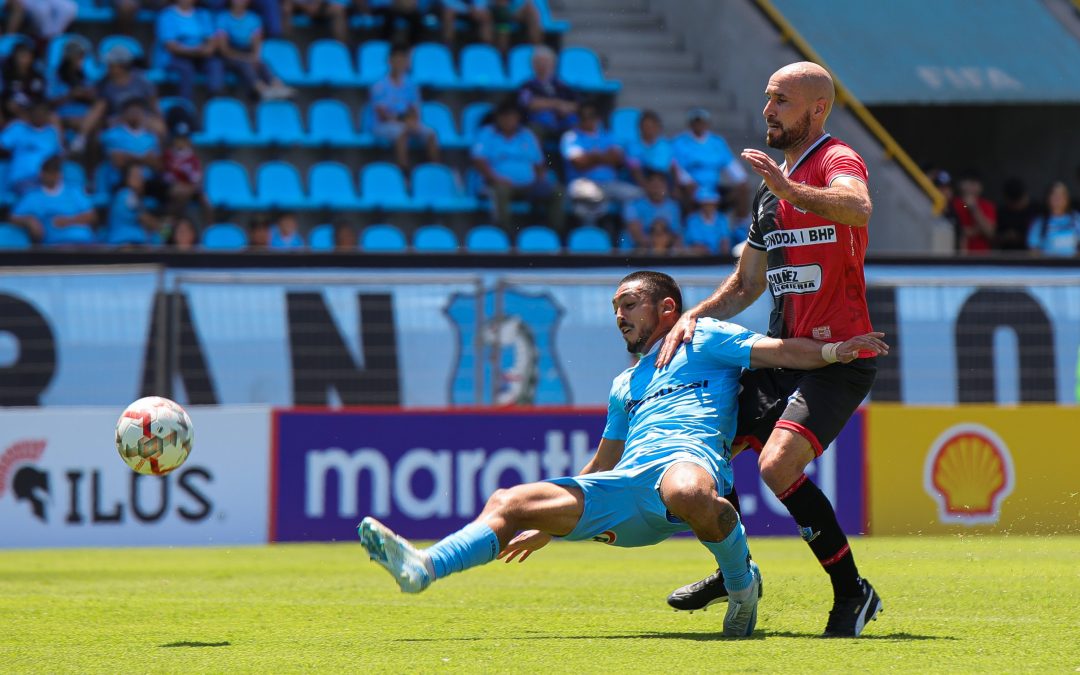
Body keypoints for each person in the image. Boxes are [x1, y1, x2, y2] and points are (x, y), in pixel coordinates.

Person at [358, 270, 887, 639]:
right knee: (508, 499)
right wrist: (551, 523)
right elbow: (603, 463)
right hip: (626, 490)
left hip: (688, 467)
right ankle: (424, 567)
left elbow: (780, 352)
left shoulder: (702, 337)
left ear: (666, 309)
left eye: (628, 303)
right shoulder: (623, 384)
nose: (619, 315)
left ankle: (741, 584)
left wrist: (835, 352)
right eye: (615, 308)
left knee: (685, 489)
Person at [657, 62, 883, 638]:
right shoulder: (768, 192)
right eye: (767, 99)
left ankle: (852, 593)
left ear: (816, 109)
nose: (767, 111)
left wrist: (790, 189)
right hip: (785, 353)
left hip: (839, 357)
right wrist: (693, 316)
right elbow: (747, 285)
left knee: (778, 466)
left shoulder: (836, 160)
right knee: (704, 451)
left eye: (780, 100)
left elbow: (858, 208)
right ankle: (738, 573)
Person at [471, 99, 564, 236]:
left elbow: (539, 163)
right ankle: (505, 235)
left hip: (528, 184)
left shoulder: (527, 135)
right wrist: (496, 178)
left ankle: (554, 235)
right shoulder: (487, 133)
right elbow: (478, 160)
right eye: (505, 116)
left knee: (557, 191)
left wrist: (538, 180)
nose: (509, 120)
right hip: (500, 183)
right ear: (498, 118)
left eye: (512, 116)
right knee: (500, 191)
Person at [561, 100, 641, 231]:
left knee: (637, 195)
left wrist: (592, 156)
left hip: (609, 184)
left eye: (591, 116)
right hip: (583, 183)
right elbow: (580, 163)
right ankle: (590, 241)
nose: (588, 120)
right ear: (579, 118)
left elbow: (618, 158)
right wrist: (604, 157)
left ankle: (627, 237)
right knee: (591, 199)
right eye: (584, 117)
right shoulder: (571, 137)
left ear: (597, 118)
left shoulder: (607, 135)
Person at [74, 44, 165, 153]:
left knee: (160, 127)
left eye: (112, 65)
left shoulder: (142, 81)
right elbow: (99, 109)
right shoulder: (105, 83)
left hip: (141, 118)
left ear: (122, 66)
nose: (108, 68)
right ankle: (81, 137)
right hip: (118, 120)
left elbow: (153, 103)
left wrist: (160, 119)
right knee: (100, 106)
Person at [671, 107, 749, 229]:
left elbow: (730, 164)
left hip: (713, 186)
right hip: (692, 186)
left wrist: (741, 179)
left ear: (707, 123)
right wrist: (688, 182)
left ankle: (742, 227)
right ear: (690, 124)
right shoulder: (680, 142)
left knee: (742, 189)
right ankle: (692, 228)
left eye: (701, 122)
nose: (699, 125)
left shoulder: (717, 142)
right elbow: (677, 167)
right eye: (696, 122)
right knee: (686, 192)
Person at [369, 43, 439, 171]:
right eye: (397, 59)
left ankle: (434, 170)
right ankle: (404, 171)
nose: (400, 63)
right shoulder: (379, 85)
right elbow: (382, 115)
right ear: (389, 60)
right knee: (402, 132)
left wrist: (411, 122)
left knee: (431, 134)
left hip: (407, 121)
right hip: (383, 125)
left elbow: (415, 110)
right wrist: (404, 121)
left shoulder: (411, 85)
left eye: (404, 59)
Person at [216, 0, 296, 100]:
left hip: (247, 53)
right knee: (245, 65)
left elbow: (256, 45)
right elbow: (224, 50)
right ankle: (263, 90)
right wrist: (245, 57)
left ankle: (279, 86)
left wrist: (254, 57)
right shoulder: (222, 18)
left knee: (262, 64)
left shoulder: (254, 19)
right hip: (230, 55)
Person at [10, 156, 97, 245]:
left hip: (85, 243)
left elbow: (91, 216)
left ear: (60, 174)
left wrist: (67, 221)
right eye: (49, 173)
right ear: (41, 174)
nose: (52, 177)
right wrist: (29, 220)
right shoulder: (33, 197)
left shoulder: (74, 192)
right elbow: (14, 217)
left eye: (55, 173)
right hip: (55, 245)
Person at [156, 0, 225, 100]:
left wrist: (208, 49)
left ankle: (215, 100)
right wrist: (193, 50)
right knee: (186, 68)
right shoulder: (167, 15)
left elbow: (211, 39)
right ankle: (185, 104)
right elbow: (171, 46)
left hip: (200, 56)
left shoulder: (202, 14)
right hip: (176, 57)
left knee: (215, 64)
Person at [516, 45, 578, 146]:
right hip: (539, 125)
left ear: (553, 64)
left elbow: (576, 104)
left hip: (563, 123)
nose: (543, 65)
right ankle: (537, 160)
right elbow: (529, 103)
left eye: (546, 62)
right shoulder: (527, 86)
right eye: (539, 62)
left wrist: (566, 108)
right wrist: (556, 104)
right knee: (533, 130)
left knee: (577, 124)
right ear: (533, 65)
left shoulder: (562, 85)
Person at [0, 100, 63, 197]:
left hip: (45, 181)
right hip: (22, 180)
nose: (39, 115)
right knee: (36, 195)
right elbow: (2, 145)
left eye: (43, 113)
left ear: (47, 115)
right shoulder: (18, 127)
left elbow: (58, 156)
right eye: (36, 112)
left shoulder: (52, 132)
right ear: (30, 113)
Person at [46, 40, 98, 134]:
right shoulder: (54, 77)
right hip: (62, 117)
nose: (81, 60)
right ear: (69, 58)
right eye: (78, 57)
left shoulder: (85, 77)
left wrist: (87, 96)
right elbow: (48, 103)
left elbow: (94, 99)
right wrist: (70, 95)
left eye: (82, 57)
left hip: (84, 117)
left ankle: (80, 142)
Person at [621, 170, 681, 251]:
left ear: (666, 187)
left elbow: (676, 235)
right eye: (654, 185)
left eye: (660, 185)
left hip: (663, 251)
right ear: (647, 186)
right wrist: (656, 245)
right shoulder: (633, 205)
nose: (656, 189)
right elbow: (636, 234)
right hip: (634, 252)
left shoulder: (673, 207)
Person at [105, 163, 162, 246]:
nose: (140, 179)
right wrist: (160, 225)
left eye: (141, 176)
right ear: (128, 179)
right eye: (135, 176)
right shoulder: (125, 195)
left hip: (139, 244)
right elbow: (145, 219)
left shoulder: (144, 200)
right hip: (122, 244)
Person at [623, 109, 677, 190]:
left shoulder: (665, 145)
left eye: (652, 126)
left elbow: (673, 168)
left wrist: (675, 187)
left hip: (662, 181)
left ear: (658, 127)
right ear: (640, 127)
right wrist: (649, 189)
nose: (648, 129)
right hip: (638, 184)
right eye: (646, 126)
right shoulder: (632, 146)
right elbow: (635, 171)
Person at [1027, 181, 1080, 257]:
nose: (1058, 199)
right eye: (1054, 195)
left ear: (1067, 198)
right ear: (1048, 198)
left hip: (1073, 267)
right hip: (1049, 267)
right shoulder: (1040, 222)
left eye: (1062, 195)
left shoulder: (1076, 219)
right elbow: (1033, 248)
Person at [1, 43, 46, 123]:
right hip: (9, 109)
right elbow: (4, 96)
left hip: (32, 109)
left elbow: (40, 98)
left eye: (28, 56)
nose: (25, 60)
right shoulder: (6, 75)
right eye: (22, 56)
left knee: (48, 114)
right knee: (11, 105)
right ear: (15, 57)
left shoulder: (37, 77)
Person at [951, 171, 995, 253]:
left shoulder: (987, 206)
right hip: (958, 256)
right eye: (969, 183)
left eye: (975, 183)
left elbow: (991, 233)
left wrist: (974, 208)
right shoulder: (953, 204)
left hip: (982, 256)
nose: (972, 187)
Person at [683, 188, 733, 255]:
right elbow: (695, 244)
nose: (709, 206)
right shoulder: (692, 220)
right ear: (701, 204)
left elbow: (725, 241)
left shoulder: (722, 219)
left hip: (719, 259)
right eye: (706, 203)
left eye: (711, 203)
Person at [995, 178, 1037, 251]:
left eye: (1020, 203)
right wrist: (1006, 237)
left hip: (1031, 255)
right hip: (1006, 256)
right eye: (1014, 205)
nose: (1018, 207)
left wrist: (1022, 237)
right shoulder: (1002, 212)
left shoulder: (1037, 210)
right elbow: (994, 237)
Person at [284, 0, 349, 43]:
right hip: (298, 6)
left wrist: (316, 4)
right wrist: (305, 6)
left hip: (320, 6)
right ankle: (287, 43)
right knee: (286, 9)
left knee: (338, 11)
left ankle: (340, 46)